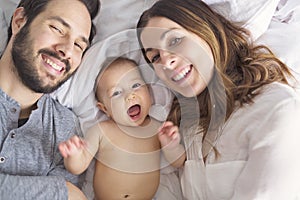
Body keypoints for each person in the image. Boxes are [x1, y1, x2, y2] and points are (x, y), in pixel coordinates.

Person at [137, 0, 300, 199]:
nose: (166, 61)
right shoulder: (189, 129)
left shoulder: (277, 108)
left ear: (207, 31)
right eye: (154, 57)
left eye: (174, 41)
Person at [0, 0, 99, 199]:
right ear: (19, 21)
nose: (67, 51)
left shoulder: (64, 129)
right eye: (57, 28)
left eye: (79, 45)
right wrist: (63, 192)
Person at [58, 57, 186, 200]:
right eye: (117, 93)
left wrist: (171, 146)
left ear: (149, 92)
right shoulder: (101, 130)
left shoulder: (157, 129)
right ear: (105, 109)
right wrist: (73, 155)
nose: (130, 96)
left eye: (136, 85)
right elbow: (78, 167)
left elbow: (179, 162)